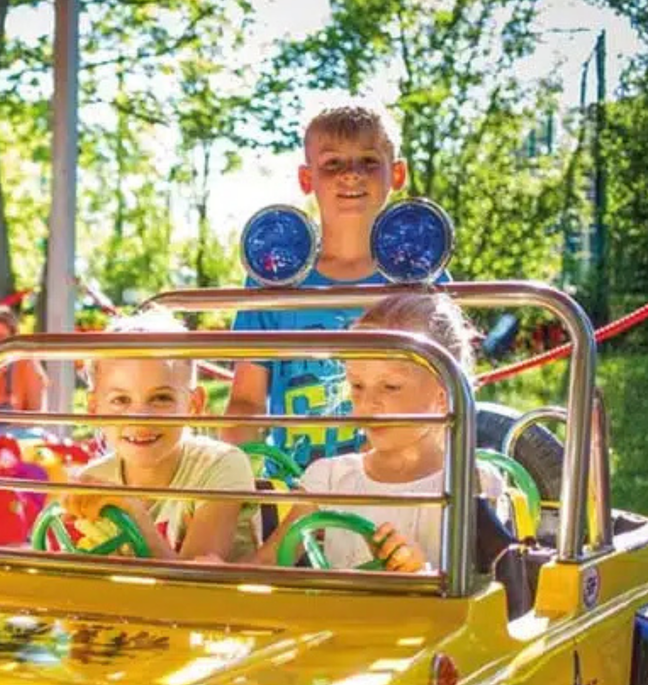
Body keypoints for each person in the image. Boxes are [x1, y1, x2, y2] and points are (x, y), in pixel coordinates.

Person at [222, 101, 447, 468]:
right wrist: (231, 485)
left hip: (398, 484)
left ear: (398, 174)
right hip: (295, 486)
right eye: (333, 163)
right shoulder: (275, 280)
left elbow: (448, 393)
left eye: (369, 161)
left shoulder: (422, 277)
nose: (351, 175)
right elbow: (246, 402)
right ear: (307, 179)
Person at [252, 293, 501, 572]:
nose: (368, 404)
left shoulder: (473, 482)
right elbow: (266, 561)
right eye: (357, 386)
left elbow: (490, 590)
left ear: (445, 393)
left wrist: (422, 572)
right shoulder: (329, 479)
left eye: (390, 386)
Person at [61, 311, 257, 562]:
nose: (140, 417)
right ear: (94, 409)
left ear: (194, 405)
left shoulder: (221, 465)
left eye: (161, 398)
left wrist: (136, 516)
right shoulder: (96, 479)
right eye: (120, 400)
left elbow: (192, 591)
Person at [0, 304, 48, 412]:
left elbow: (36, 417)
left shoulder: (26, 364)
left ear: (13, 340)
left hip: (17, 428)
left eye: (1, 338)